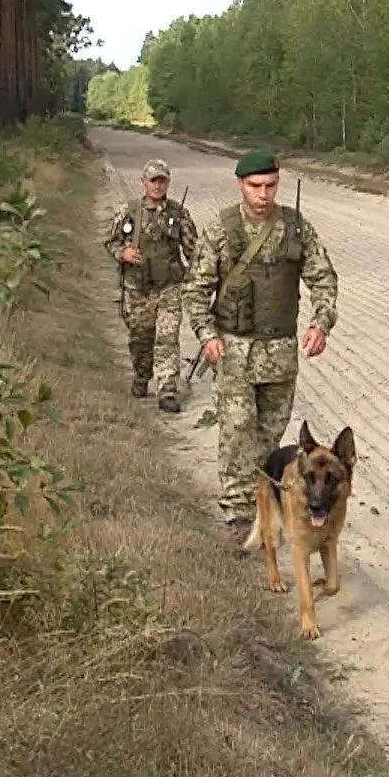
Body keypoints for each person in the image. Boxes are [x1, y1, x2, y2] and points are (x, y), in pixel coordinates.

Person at [183, 149, 338, 531]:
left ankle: (261, 501)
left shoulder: (296, 228)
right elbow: (195, 290)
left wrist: (321, 324)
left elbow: (323, 278)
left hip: (280, 352)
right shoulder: (221, 231)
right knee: (237, 430)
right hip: (233, 350)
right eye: (255, 186)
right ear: (241, 185)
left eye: (270, 185)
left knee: (268, 435)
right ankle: (239, 512)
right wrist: (206, 335)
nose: (263, 194)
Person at [103, 159, 198, 411]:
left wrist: (199, 278)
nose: (157, 186)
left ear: (168, 182)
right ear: (144, 182)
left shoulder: (178, 215)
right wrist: (122, 253)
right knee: (141, 338)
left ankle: (167, 390)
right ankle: (142, 375)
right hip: (137, 289)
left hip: (168, 288)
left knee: (167, 338)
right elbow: (110, 241)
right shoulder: (129, 212)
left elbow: (194, 251)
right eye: (153, 180)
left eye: (162, 180)